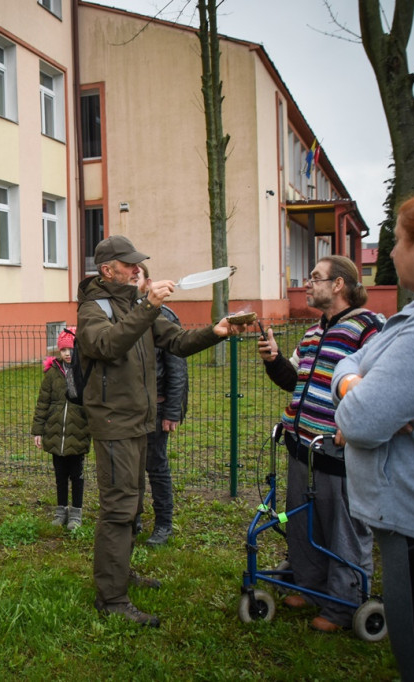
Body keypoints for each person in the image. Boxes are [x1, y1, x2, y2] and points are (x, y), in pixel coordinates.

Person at [77, 235, 247, 627]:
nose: (137, 269)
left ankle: (122, 572)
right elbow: (107, 345)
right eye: (129, 264)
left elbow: (179, 343)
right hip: (113, 422)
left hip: (139, 422)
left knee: (132, 504)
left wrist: (215, 331)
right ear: (108, 270)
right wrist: (149, 308)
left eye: (138, 264)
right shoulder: (93, 309)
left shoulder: (138, 307)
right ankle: (112, 598)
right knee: (118, 508)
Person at [332, 189, 414, 679]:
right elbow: (352, 362)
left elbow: (360, 421)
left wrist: (362, 396)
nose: (389, 253)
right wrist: (354, 383)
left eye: (399, 241)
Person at [257, 255, 381, 633]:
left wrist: (356, 417)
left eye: (315, 277)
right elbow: (294, 380)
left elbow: (382, 378)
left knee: (343, 529)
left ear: (339, 284)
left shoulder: (369, 327)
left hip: (339, 452)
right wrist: (275, 359)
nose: (307, 283)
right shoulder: (313, 332)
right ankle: (311, 587)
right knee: (303, 521)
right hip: (301, 446)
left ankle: (344, 605)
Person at [129, 263, 188, 547]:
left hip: (159, 407)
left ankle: (163, 524)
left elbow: (177, 368)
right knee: (132, 466)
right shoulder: (123, 315)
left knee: (156, 465)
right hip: (129, 408)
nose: (131, 280)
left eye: (135, 276)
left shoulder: (164, 316)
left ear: (147, 283)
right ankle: (134, 518)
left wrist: (172, 411)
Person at [31, 327, 91, 531]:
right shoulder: (52, 374)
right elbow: (42, 403)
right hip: (55, 434)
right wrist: (38, 430)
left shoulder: (84, 372)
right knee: (60, 475)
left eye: (72, 349)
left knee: (77, 475)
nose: (67, 354)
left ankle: (76, 512)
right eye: (64, 349)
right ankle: (61, 510)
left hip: (78, 433)